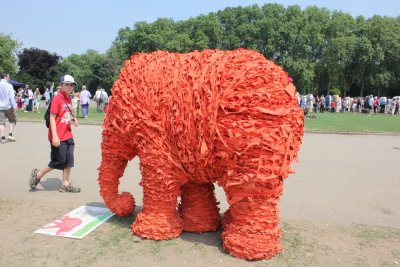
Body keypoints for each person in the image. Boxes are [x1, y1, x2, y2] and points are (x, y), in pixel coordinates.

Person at [29, 74, 80, 193]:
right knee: (59, 161)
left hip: (68, 135)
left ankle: (65, 184)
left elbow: (65, 116)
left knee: (69, 160)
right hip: (58, 136)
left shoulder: (68, 98)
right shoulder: (57, 98)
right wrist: (55, 136)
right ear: (61, 85)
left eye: (71, 85)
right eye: (66, 84)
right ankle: (38, 174)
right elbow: (52, 118)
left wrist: (73, 120)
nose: (69, 87)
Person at [0, 73, 17, 143]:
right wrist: (14, 106)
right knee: (13, 120)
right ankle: (10, 135)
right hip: (8, 106)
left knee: (1, 123)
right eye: (8, 76)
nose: (9, 78)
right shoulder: (9, 85)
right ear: (5, 77)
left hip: (0, 107)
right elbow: (11, 97)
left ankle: (3, 138)